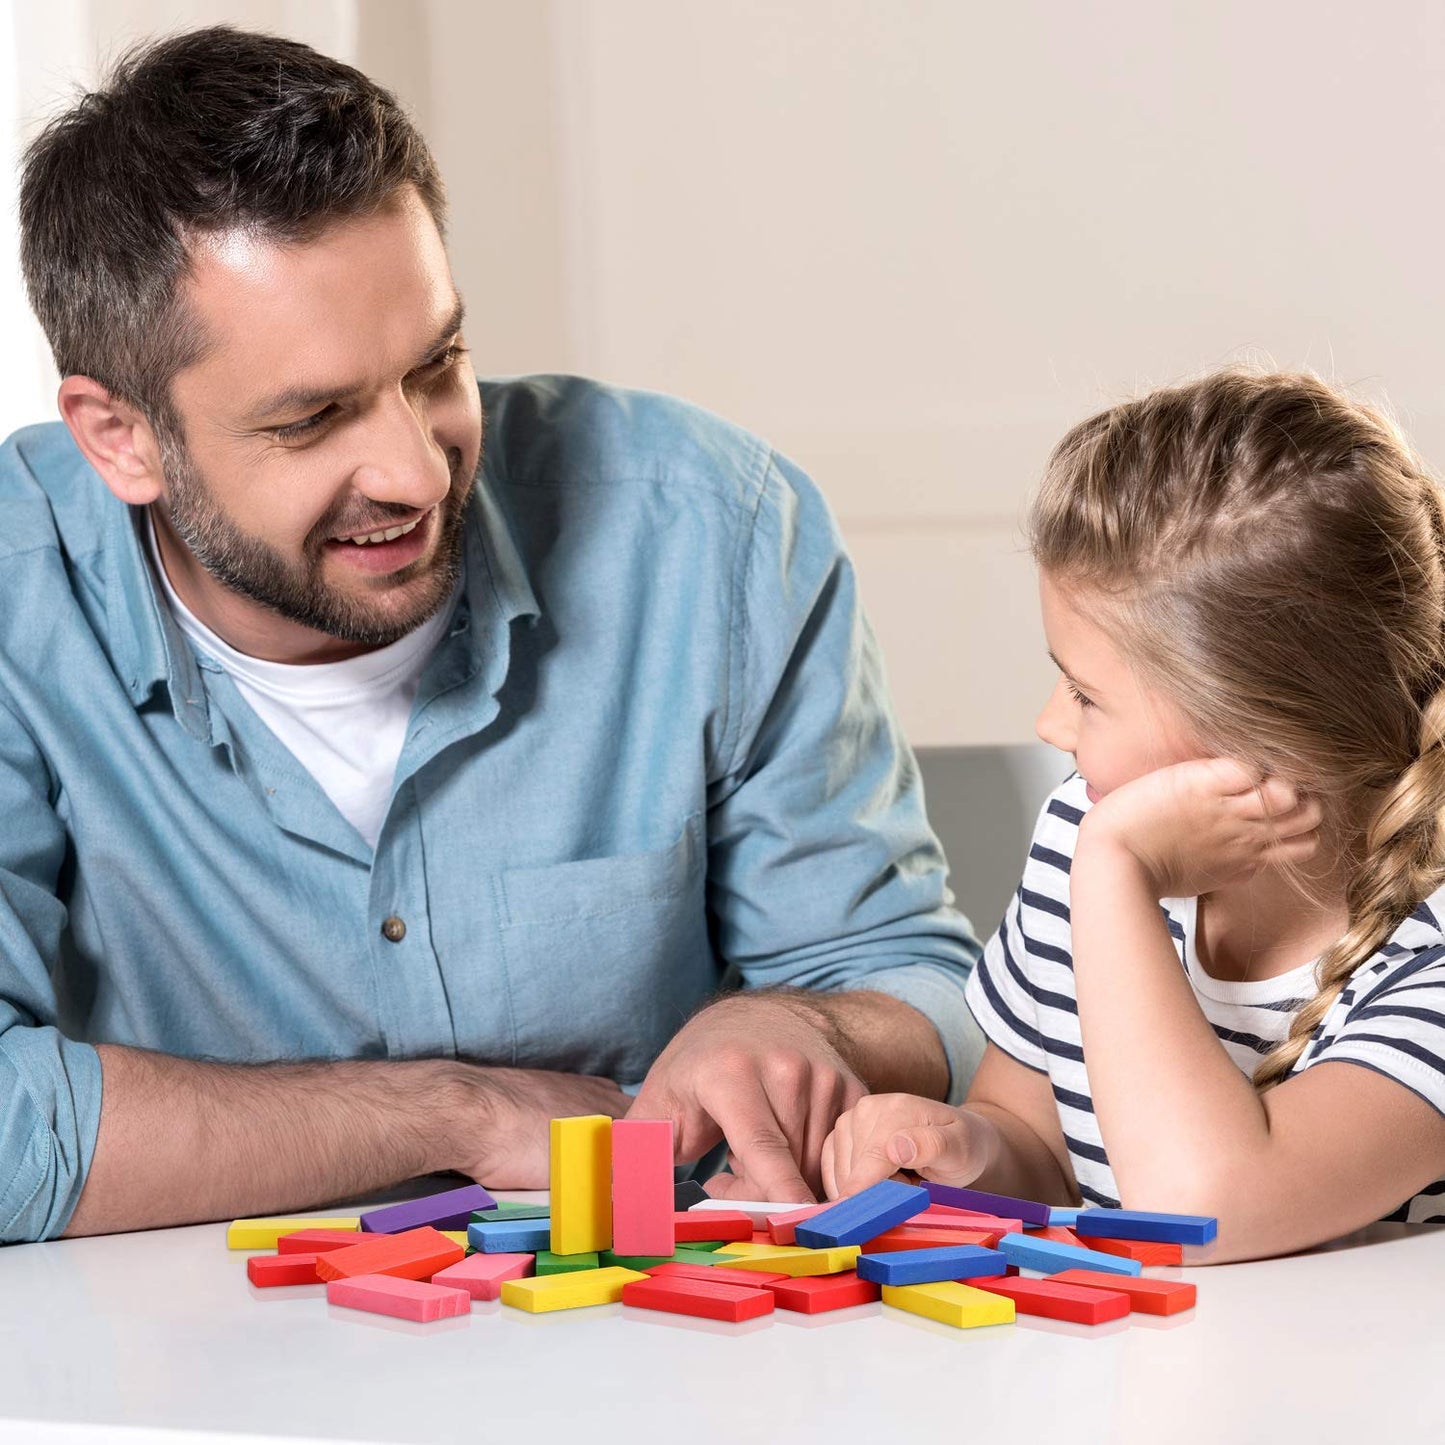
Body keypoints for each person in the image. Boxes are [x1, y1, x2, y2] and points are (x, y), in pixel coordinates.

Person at [0, 26, 983, 1245]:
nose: (414, 470)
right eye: (312, 419)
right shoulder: (16, 595)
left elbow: (913, 976)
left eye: (435, 364)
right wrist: (447, 1115)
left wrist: (810, 1026)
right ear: (118, 438)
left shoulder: (711, 530)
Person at [821, 369, 1445, 1261]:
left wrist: (1113, 878)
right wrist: (967, 1150)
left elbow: (1202, 1205)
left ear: (1260, 742)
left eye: (1084, 694)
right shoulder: (1087, 830)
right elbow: (1038, 1144)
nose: (1049, 722)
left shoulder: (1422, 949)